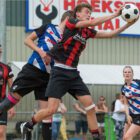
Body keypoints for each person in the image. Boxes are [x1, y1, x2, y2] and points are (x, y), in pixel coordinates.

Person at [18, 3, 137, 140]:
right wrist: (115, 14)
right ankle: (28, 124)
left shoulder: (87, 32)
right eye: (86, 11)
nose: (89, 14)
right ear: (77, 14)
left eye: (90, 12)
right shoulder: (71, 22)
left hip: (73, 74)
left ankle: (96, 138)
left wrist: (129, 24)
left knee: (91, 107)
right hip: (59, 72)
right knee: (51, 109)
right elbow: (94, 21)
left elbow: (110, 33)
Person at [0, 11, 74, 140]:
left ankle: (30, 128)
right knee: (8, 103)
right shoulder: (48, 27)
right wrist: (41, 52)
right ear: (68, 19)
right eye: (75, 21)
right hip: (32, 70)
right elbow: (27, 40)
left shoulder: (69, 38)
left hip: (48, 77)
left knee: (47, 115)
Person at [0, 46, 15, 140]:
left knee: (1, 132)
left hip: (2, 103)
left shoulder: (6, 68)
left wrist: (12, 105)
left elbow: (12, 88)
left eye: (0, 51)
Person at [121, 66, 140, 140]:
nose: (127, 73)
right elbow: (126, 103)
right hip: (130, 115)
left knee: (127, 137)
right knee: (124, 138)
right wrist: (127, 115)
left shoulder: (138, 83)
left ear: (132, 74)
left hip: (139, 114)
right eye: (125, 72)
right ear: (123, 74)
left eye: (129, 72)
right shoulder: (123, 88)